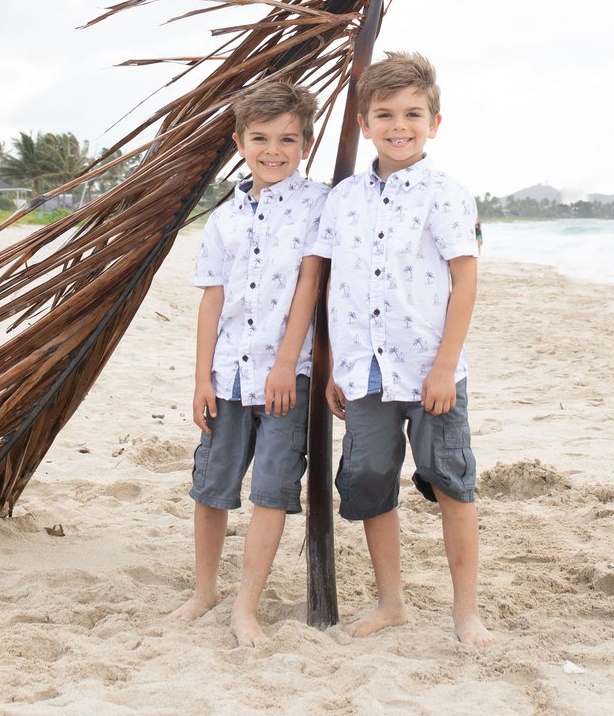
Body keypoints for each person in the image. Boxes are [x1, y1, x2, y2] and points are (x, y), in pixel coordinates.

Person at [282, 51, 495, 647]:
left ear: (435, 122)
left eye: (413, 114)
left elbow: (465, 281)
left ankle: (466, 613)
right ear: (363, 123)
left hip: (431, 368)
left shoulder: (447, 195)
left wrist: (446, 366)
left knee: (451, 482)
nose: (399, 126)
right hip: (364, 372)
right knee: (373, 481)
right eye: (385, 114)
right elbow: (331, 285)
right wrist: (333, 367)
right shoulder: (342, 199)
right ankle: (392, 602)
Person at [167, 79, 329, 646]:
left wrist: (287, 363)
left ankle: (245, 604)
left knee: (272, 488)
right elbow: (213, 297)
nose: (273, 150)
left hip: (287, 373)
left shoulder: (319, 204)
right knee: (212, 483)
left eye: (287, 139)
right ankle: (204, 589)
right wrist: (200, 379)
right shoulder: (224, 217)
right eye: (260, 138)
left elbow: (310, 281)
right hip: (228, 373)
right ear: (239, 141)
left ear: (304, 143)